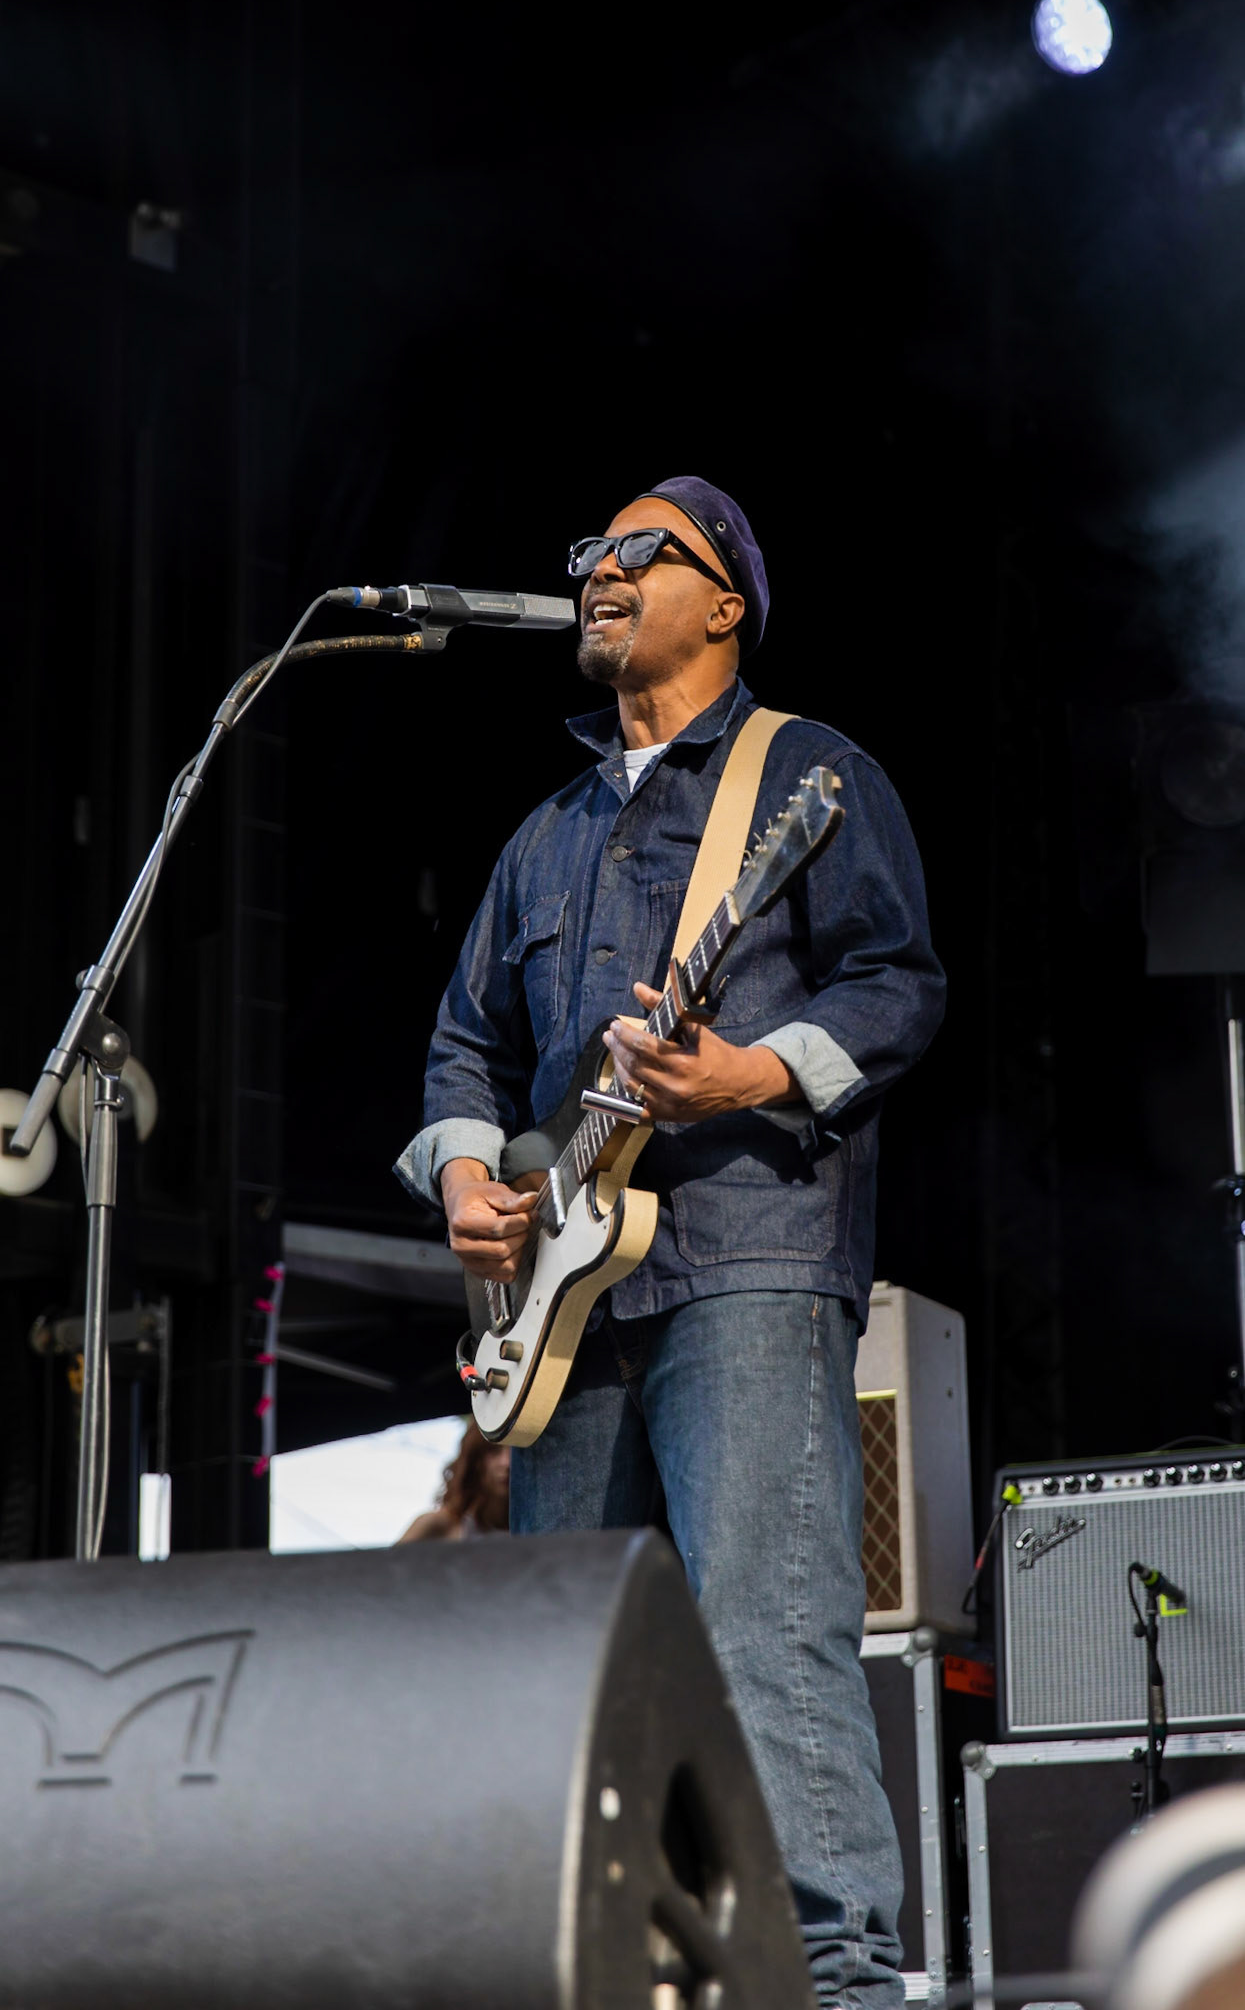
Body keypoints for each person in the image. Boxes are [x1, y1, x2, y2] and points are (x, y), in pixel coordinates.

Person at [395, 475, 945, 2008]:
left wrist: (747, 1073)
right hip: (564, 1308)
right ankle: (619, 1968)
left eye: (644, 549)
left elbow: (899, 988)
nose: (601, 568)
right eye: (592, 550)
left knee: (765, 1634)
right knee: (579, 1661)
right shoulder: (545, 834)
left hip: (747, 1259)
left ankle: (832, 1976)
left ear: (726, 603)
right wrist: (465, 1180)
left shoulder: (810, 775)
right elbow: (463, 1048)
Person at [398, 1422, 510, 1541]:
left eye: (517, 1453)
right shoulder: (439, 1525)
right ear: (474, 1460)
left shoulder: (522, 1531)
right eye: (494, 1451)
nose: (506, 1463)